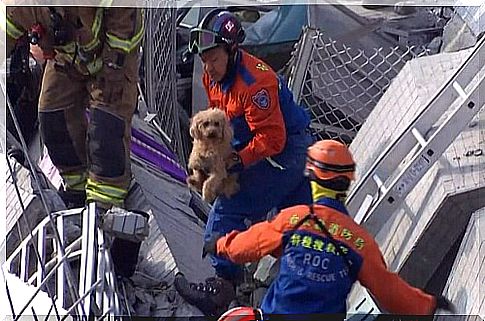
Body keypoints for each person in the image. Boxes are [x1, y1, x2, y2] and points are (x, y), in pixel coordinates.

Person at [204, 140, 455, 318]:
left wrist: (219, 244)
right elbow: (390, 292)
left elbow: (249, 245)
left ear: (312, 179)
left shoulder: (294, 219)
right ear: (345, 182)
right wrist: (429, 305)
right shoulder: (359, 242)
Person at [174, 8, 314, 316]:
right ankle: (300, 287)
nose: (207, 66)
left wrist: (236, 161)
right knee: (298, 219)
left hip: (286, 154)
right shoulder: (217, 78)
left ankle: (221, 288)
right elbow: (223, 123)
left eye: (212, 58)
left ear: (231, 50)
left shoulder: (255, 84)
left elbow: (273, 140)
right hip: (278, 149)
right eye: (204, 59)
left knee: (229, 204)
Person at [3, 6, 147, 277]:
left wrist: (114, 64)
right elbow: (5, 32)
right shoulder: (23, 4)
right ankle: (79, 194)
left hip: (115, 53)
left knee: (107, 132)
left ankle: (107, 212)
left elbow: (123, 13)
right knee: (52, 118)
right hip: (67, 57)